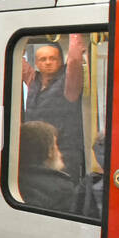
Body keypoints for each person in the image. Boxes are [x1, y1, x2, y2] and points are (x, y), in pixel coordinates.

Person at [22, 35, 86, 180]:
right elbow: (17, 61)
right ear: (37, 63)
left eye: (53, 58)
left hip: (64, 154)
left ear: (60, 62)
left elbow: (75, 60)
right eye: (43, 59)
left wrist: (74, 32)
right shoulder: (34, 81)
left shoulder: (68, 84)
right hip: (36, 152)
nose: (48, 62)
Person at [17, 121, 79, 214]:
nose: (60, 154)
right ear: (50, 151)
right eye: (56, 146)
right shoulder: (62, 188)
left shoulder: (12, 179)